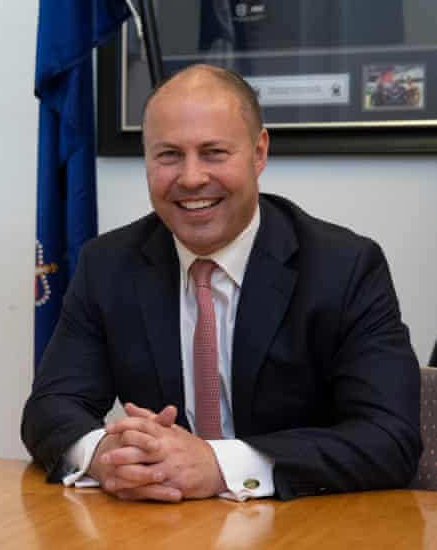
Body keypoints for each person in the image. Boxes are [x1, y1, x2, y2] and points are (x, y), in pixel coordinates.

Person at [21, 64, 421, 502]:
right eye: (169, 154)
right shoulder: (108, 265)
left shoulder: (344, 267)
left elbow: (390, 439)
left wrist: (220, 465)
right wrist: (105, 454)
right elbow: (49, 409)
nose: (191, 178)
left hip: (305, 527)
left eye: (213, 152)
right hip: (162, 527)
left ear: (259, 152)